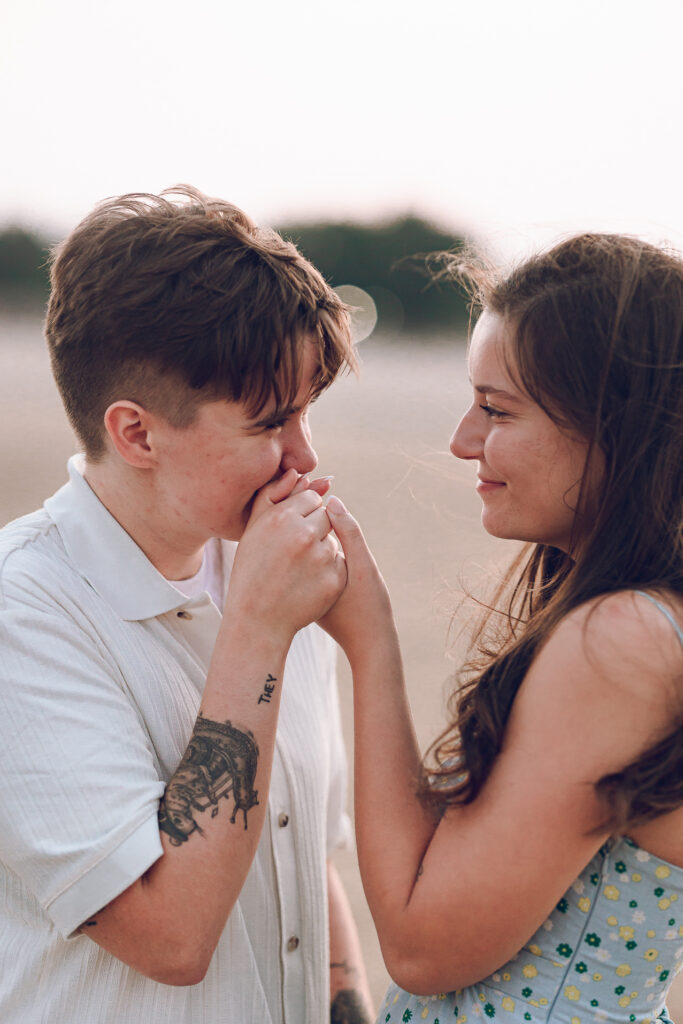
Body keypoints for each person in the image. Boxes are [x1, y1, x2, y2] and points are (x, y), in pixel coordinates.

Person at [0, 187, 374, 1024]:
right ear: (135, 433)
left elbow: (304, 860)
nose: (304, 459)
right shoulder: (22, 616)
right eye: (271, 422)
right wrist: (258, 631)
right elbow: (170, 937)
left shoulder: (267, 566)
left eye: (307, 413)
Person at [320, 233, 683, 1024]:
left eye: (495, 409)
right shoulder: (650, 621)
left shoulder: (620, 642)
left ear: (615, 425)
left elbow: (423, 949)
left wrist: (367, 639)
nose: (462, 440)